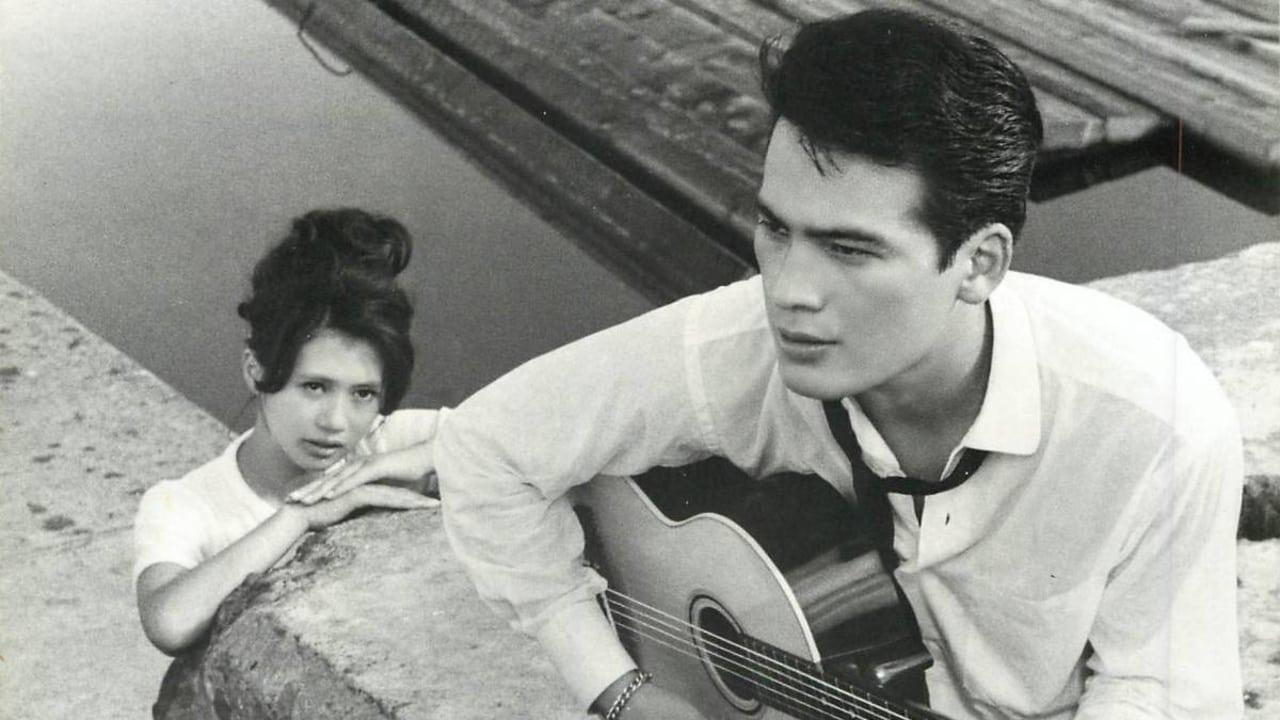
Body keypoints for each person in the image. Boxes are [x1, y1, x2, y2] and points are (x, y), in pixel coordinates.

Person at [432, 9, 1237, 720]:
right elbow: (486, 449)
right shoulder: (743, 344)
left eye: (849, 249)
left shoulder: (1152, 421)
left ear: (980, 264)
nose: (787, 291)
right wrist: (619, 691)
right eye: (776, 229)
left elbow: (1165, 691)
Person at [133, 208, 443, 655]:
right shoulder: (186, 502)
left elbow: (555, 428)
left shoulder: (384, 442)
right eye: (315, 387)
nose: (336, 422)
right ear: (255, 370)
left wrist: (398, 463)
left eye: (362, 394)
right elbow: (169, 624)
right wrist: (300, 516)